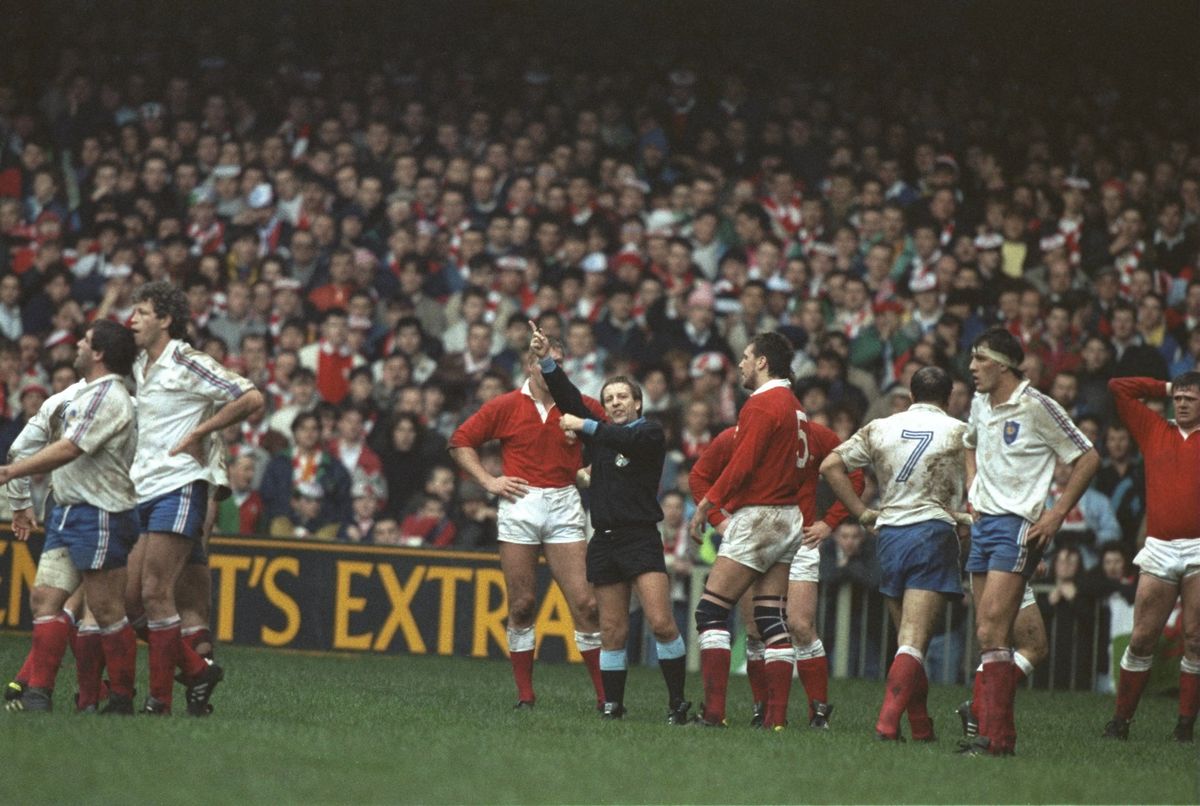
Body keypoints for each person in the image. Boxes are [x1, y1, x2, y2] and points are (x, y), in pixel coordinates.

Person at [532, 322, 689, 723]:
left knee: (661, 622)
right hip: (603, 541)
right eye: (609, 398)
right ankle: (613, 705)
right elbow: (569, 397)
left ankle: (677, 703)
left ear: (638, 404)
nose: (616, 403)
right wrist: (546, 359)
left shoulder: (648, 432)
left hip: (640, 539)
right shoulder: (600, 432)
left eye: (623, 397)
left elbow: (624, 440)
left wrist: (586, 426)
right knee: (612, 631)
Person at [126, 280, 265, 715]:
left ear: (165, 320)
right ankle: (197, 669)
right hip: (142, 489)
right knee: (131, 600)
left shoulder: (185, 359)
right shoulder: (137, 368)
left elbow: (251, 395)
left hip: (183, 486)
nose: (132, 319)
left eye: (143, 312)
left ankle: (159, 699)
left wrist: (200, 432)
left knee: (160, 592)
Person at [961, 327, 1100, 755]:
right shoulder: (980, 404)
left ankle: (996, 737)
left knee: (991, 629)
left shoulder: (1038, 406)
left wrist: (1057, 514)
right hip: (983, 525)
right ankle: (994, 733)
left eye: (979, 359)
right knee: (990, 634)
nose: (971, 368)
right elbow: (968, 445)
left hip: (1017, 525)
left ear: (1001, 364)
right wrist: (972, 490)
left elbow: (1087, 456)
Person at [449, 335, 606, 710]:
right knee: (522, 603)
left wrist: (588, 469)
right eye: (542, 360)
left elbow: (617, 439)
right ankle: (525, 695)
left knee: (585, 603)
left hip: (564, 500)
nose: (551, 368)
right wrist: (488, 481)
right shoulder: (505, 405)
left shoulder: (580, 405)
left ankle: (606, 698)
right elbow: (460, 441)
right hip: (520, 502)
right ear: (529, 366)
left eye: (557, 362)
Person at [821, 365, 969, 741]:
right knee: (914, 640)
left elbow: (831, 465)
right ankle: (886, 724)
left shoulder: (881, 427)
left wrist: (862, 512)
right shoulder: (959, 431)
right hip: (932, 532)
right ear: (948, 397)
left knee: (906, 638)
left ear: (911, 393)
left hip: (889, 536)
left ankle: (921, 727)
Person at [1, 320, 140, 714]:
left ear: (98, 354)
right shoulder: (76, 397)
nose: (76, 345)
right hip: (66, 510)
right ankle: (37, 695)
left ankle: (120, 698)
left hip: (101, 513)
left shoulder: (109, 397)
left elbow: (72, 447)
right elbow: (26, 446)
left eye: (84, 341)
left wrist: (15, 474)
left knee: (106, 609)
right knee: (44, 598)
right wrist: (21, 497)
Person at [687, 332, 807, 729]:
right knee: (771, 618)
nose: (739, 364)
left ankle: (714, 713)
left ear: (762, 362)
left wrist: (708, 503)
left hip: (760, 515)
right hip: (789, 516)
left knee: (710, 611)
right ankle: (775, 719)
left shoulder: (762, 403)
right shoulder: (795, 406)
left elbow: (743, 463)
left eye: (745, 357)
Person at [1102, 372, 1200, 742]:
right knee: (1142, 637)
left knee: (1195, 638)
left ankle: (1185, 725)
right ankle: (1121, 720)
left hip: (1199, 547)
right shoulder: (1154, 429)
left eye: (1191, 397)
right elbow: (1117, 387)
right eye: (1180, 398)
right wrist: (1166, 387)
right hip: (1159, 547)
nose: (1183, 403)